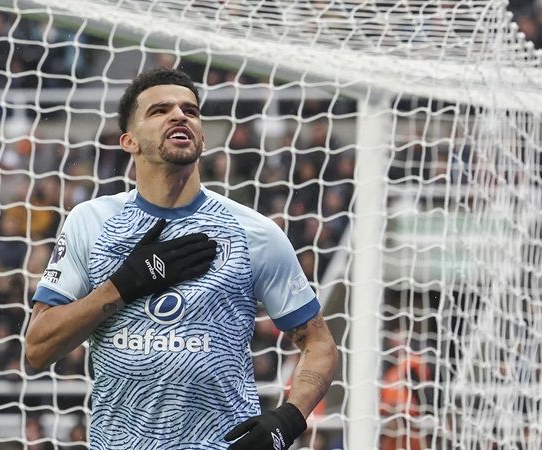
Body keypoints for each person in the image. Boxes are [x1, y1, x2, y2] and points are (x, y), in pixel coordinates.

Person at [25, 68, 338, 450]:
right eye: (159, 110)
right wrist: (122, 286)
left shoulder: (254, 231)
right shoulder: (91, 222)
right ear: (129, 141)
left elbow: (318, 343)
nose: (179, 115)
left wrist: (287, 420)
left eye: (190, 110)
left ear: (202, 136)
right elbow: (37, 349)